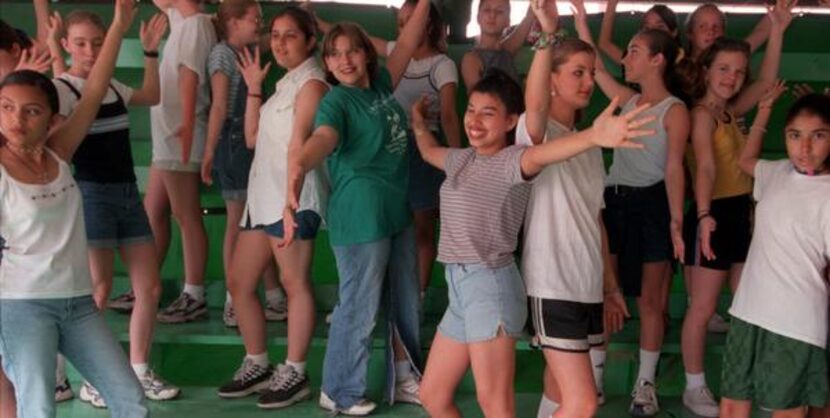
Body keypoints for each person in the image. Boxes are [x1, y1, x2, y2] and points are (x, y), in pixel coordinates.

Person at [415, 60, 654, 416]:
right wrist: (418, 120)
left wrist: (593, 137)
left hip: (490, 286)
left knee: (494, 404)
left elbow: (547, 151)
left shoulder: (514, 161)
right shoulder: (462, 160)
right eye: (471, 110)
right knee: (433, 396)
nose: (474, 121)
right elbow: (428, 151)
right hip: (459, 288)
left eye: (488, 113)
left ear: (511, 121)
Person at [282, 0, 432, 414]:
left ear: (366, 53)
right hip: (361, 218)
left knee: (405, 301)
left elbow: (407, 41)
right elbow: (324, 138)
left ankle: (404, 378)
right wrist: (299, 166)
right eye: (334, 53)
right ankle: (339, 390)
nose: (344, 59)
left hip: (395, 212)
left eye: (352, 50)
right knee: (360, 307)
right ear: (327, 62)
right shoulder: (336, 102)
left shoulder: (381, 85)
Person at [0, 1, 149, 416]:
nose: (17, 120)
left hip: (78, 303)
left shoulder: (60, 154)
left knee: (131, 401)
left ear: (52, 118)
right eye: (6, 109)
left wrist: (119, 25)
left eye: (31, 111)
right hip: (20, 305)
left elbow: (96, 89)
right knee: (38, 408)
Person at [48, 8, 181, 408]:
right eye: (81, 43)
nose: (89, 50)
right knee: (99, 290)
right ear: (68, 45)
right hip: (90, 194)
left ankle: (138, 370)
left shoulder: (113, 87)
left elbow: (152, 95)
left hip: (126, 194)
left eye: (96, 42)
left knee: (151, 287)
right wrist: (52, 47)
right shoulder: (62, 88)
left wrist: (151, 53)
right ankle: (90, 378)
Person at [573, 0, 690, 415]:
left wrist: (676, 222)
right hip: (615, 201)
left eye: (634, 52)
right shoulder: (625, 99)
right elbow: (597, 68)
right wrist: (583, 22)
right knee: (607, 292)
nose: (625, 58)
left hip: (653, 205)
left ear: (657, 60)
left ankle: (645, 384)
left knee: (651, 302)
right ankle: (598, 379)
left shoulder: (674, 110)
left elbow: (675, 168)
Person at [680, 4, 792, 415]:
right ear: (706, 70)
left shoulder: (728, 111)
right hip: (713, 216)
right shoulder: (699, 114)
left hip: (740, 214)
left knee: (750, 305)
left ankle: (749, 383)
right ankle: (694, 387)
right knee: (703, 309)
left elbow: (765, 82)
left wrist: (777, 29)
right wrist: (705, 216)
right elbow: (706, 167)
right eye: (724, 70)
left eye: (738, 72)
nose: (732, 78)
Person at [520, 2, 631, 417]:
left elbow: (595, 223)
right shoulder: (538, 133)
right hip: (551, 285)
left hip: (586, 286)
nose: (587, 82)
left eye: (590, 72)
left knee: (561, 392)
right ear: (551, 80)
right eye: (576, 73)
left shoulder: (591, 144)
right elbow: (534, 107)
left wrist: (611, 287)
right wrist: (548, 35)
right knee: (583, 403)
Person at [215, 6, 327, 410]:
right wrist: (254, 88)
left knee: (294, 283)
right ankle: (257, 362)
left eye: (290, 35)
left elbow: (300, 146)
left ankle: (295, 370)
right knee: (239, 282)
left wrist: (289, 202)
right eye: (275, 34)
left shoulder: (313, 84)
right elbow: (250, 139)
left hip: (292, 201)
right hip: (262, 200)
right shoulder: (282, 84)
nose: (279, 42)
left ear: (310, 41)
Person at [720, 92, 830, 418]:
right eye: (795, 136)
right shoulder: (777, 172)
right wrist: (764, 112)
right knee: (730, 408)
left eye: (818, 136)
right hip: (747, 310)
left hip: (795, 321)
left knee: (787, 413)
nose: (804, 148)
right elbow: (744, 161)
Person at [202, 0, 286, 328]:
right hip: (233, 145)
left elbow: (270, 41)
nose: (260, 25)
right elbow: (220, 106)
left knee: (257, 222)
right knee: (238, 224)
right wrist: (209, 152)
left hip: (250, 145)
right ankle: (233, 298)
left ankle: (273, 294)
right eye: (255, 19)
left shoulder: (246, 49)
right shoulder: (222, 55)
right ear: (234, 23)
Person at [142, 0, 216, 323]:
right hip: (165, 139)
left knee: (186, 215)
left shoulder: (197, 25)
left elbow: (190, 78)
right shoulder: (181, 20)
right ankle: (145, 286)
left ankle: (194, 294)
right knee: (153, 211)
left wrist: (187, 128)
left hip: (179, 136)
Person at [460, 0, 535, 90]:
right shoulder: (471, 59)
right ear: (478, 18)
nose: (492, 15)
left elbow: (529, 17)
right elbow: (478, 98)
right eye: (487, 10)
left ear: (508, 21)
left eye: (499, 11)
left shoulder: (506, 50)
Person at [599, 0, 680, 65]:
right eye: (647, 28)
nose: (652, 33)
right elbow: (604, 44)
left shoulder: (681, 66)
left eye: (660, 27)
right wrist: (612, 3)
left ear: (674, 32)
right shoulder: (636, 61)